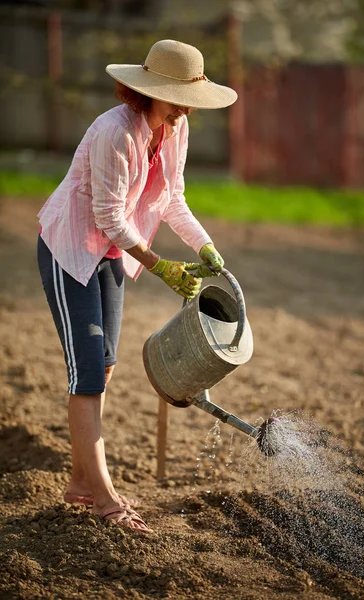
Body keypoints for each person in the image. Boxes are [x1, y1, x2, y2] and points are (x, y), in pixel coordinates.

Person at [37, 39, 237, 533]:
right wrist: (160, 265)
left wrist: (203, 246)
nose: (185, 110)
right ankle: (104, 498)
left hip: (112, 257)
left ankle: (81, 482)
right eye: (176, 99)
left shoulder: (174, 127)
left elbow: (172, 198)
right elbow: (107, 217)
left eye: (189, 101)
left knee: (103, 368)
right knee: (85, 371)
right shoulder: (114, 132)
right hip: (72, 251)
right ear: (146, 92)